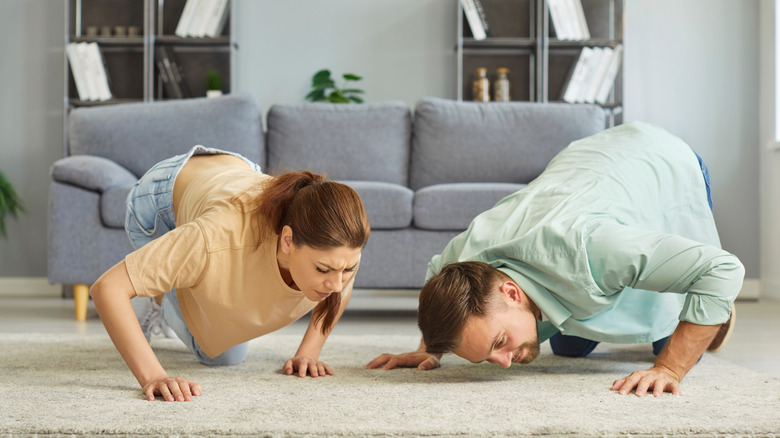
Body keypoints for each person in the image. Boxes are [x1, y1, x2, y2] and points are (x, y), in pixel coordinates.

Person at [367, 122, 743, 397]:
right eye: (485, 357)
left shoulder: (591, 248)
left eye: (498, 342)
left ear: (512, 292)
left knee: (671, 342)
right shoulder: (461, 263)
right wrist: (429, 348)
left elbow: (721, 269)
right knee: (568, 347)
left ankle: (711, 311)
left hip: (660, 159)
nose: (502, 363)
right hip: (582, 161)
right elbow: (438, 279)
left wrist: (670, 367)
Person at [90, 145, 369, 402]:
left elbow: (341, 283)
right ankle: (153, 296)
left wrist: (309, 352)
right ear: (287, 240)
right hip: (161, 198)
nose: (336, 283)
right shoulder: (215, 238)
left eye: (347, 269)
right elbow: (106, 288)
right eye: (323, 269)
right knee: (213, 345)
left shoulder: (336, 245)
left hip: (231, 176)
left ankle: (163, 282)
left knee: (225, 353)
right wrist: (154, 377)